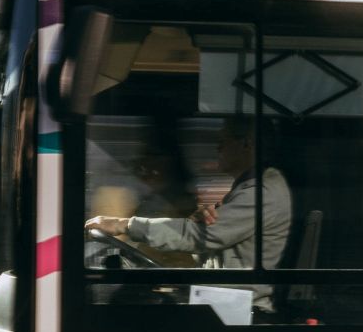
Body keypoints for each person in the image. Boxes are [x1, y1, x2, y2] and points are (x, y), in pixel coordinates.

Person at [88, 116, 291, 271]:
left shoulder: (261, 194)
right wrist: (200, 224)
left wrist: (123, 224)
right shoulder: (248, 189)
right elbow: (205, 245)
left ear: (247, 144)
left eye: (223, 140)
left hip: (236, 302)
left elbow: (196, 238)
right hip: (221, 295)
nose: (217, 147)